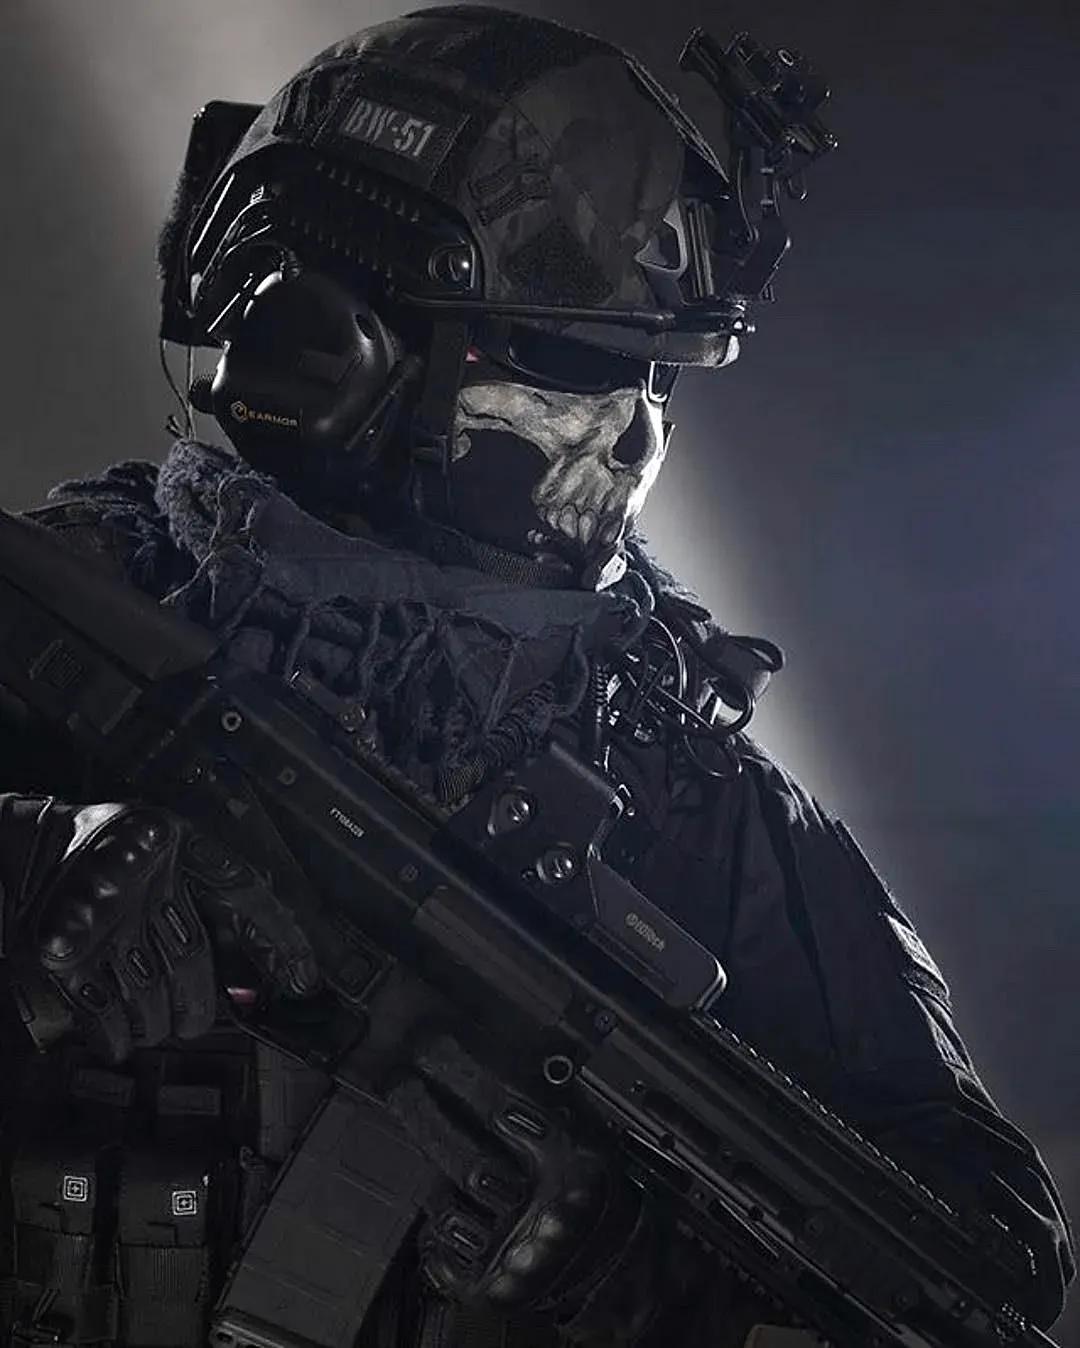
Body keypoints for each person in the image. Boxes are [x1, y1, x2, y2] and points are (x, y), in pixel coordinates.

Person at [0, 7, 1072, 1347]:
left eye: (653, 380)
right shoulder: (80, 607)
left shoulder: (674, 773)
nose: (632, 438)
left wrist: (644, 1280)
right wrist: (27, 861)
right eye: (570, 364)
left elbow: (982, 1257)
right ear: (327, 349)